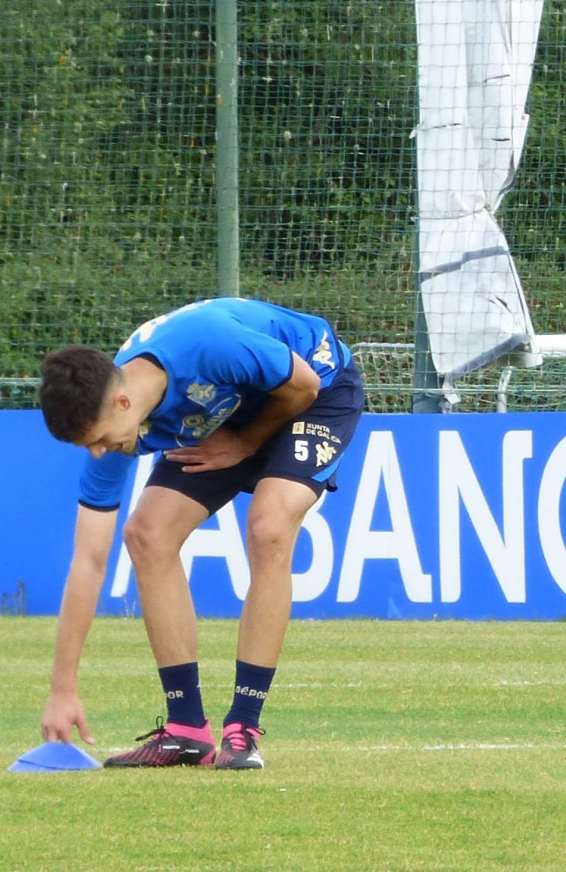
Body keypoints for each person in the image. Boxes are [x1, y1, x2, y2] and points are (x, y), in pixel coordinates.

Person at [38, 297, 364, 769]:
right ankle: (186, 729)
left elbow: (303, 385)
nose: (97, 453)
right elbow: (88, 560)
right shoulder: (113, 428)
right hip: (228, 410)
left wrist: (246, 441)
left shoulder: (210, 344)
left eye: (97, 439)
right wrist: (62, 687)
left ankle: (243, 729)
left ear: (122, 401)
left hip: (314, 388)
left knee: (269, 526)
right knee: (146, 534)